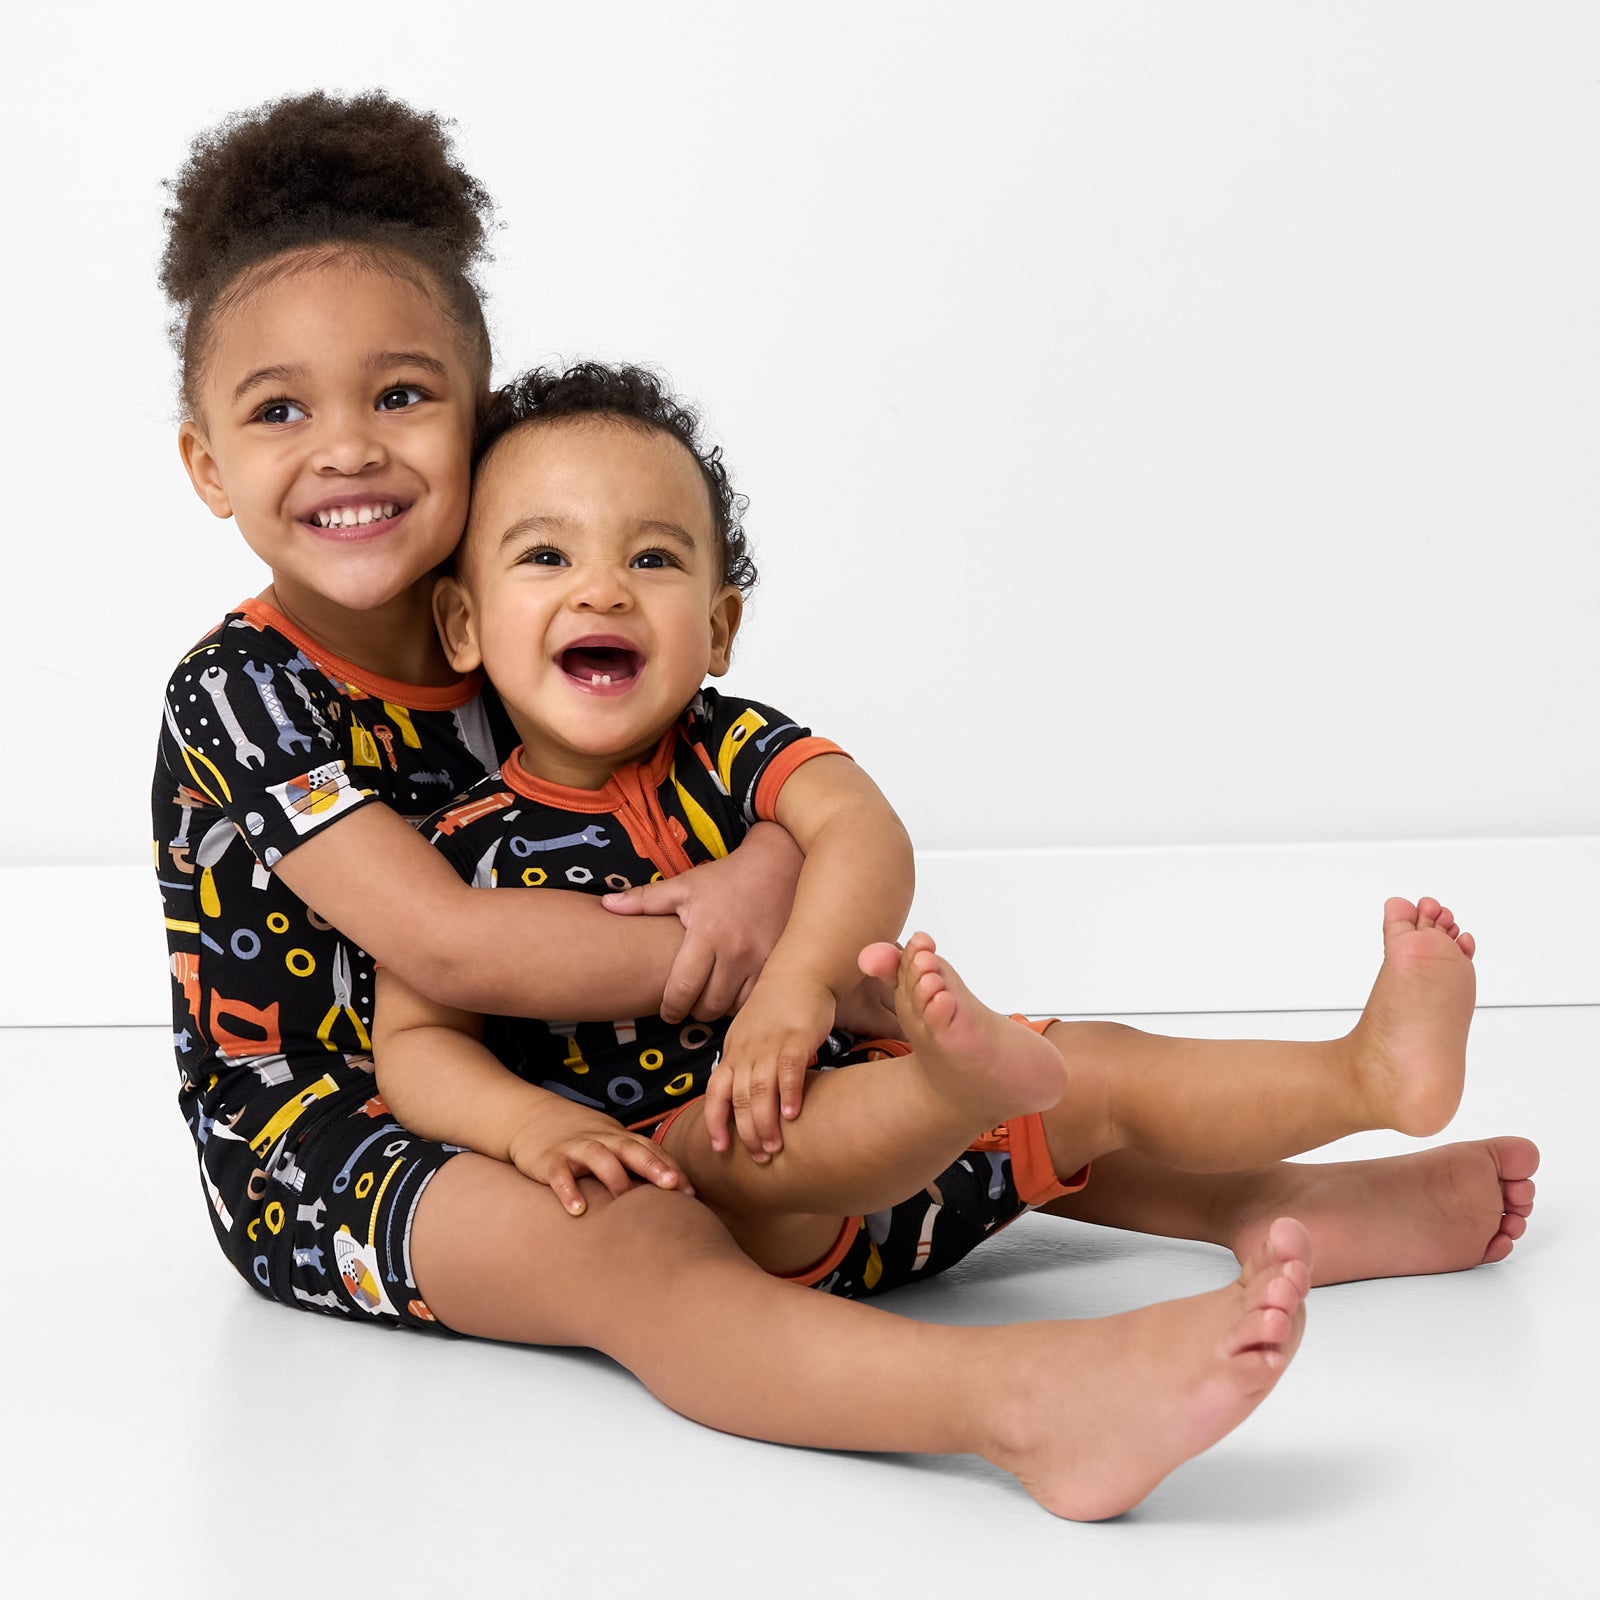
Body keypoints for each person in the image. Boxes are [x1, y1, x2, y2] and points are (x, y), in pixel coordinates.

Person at [148, 88, 1522, 1519]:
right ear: (206, 464)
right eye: (279, 409)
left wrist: (768, 892)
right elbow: (446, 947)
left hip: (608, 1076)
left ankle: (1263, 1200)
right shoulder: (244, 692)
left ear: (482, 426)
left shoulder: (518, 623)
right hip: (340, 1138)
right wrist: (744, 959)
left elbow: (739, 792)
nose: (351, 447)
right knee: (642, 1238)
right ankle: (1022, 1404)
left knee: (962, 1082)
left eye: (403, 395)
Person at [371, 363, 1534, 1300]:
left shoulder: (731, 746)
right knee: (757, 1136)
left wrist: (801, 988)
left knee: (1101, 1068)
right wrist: (525, 1125)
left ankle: (1364, 1073)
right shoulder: (461, 834)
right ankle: (954, 1087)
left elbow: (865, 835)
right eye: (546, 555)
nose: (605, 589)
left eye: (653, 557)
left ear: (718, 625)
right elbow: (416, 1042)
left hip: (911, 1165)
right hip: (730, 1198)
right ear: (465, 622)